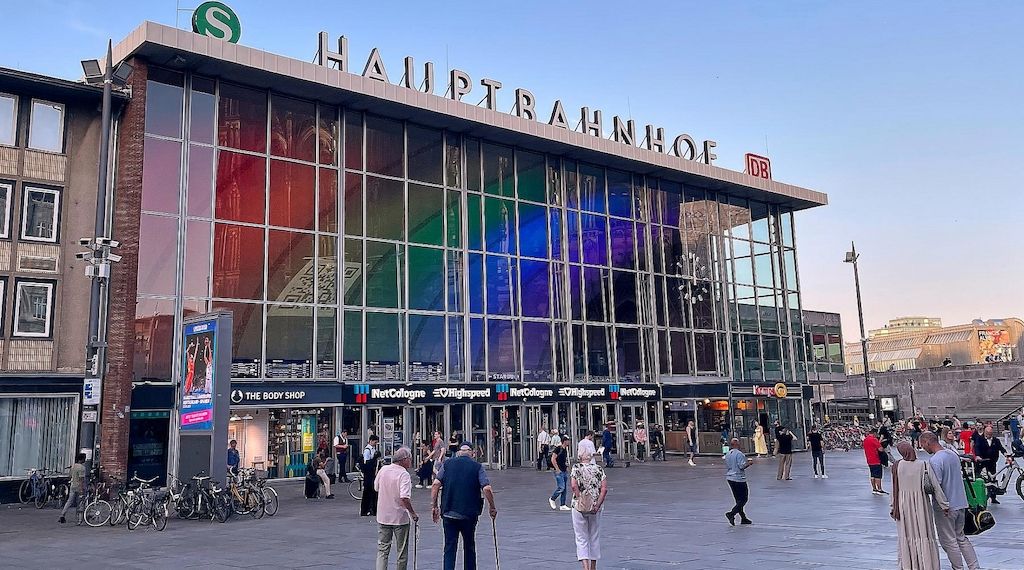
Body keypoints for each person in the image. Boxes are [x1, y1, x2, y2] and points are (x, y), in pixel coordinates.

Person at [431, 443, 497, 570]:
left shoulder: (447, 465)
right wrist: (492, 507)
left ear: (459, 453)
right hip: (469, 513)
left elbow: (435, 485)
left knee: (449, 547)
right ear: (472, 453)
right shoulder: (477, 467)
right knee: (469, 546)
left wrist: (434, 506)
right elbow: (487, 488)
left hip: (449, 512)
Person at [921, 432, 980, 570]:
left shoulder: (935, 460)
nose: (923, 448)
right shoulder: (953, 454)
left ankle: (958, 568)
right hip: (960, 501)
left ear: (927, 442)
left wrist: (942, 504)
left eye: (922, 445)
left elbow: (937, 485)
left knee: (949, 540)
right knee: (961, 537)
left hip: (946, 506)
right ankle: (974, 567)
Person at [890, 440, 948, 570]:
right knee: (924, 533)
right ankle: (927, 564)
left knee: (907, 535)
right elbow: (935, 487)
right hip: (921, 503)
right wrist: (944, 505)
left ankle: (908, 565)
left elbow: (894, 489)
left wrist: (893, 506)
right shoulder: (923, 465)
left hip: (903, 504)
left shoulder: (897, 466)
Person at [375, 446, 419, 570]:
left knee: (383, 549)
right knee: (402, 551)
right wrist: (412, 513)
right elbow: (404, 497)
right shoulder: (403, 474)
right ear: (403, 460)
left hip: (383, 515)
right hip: (399, 517)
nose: (410, 461)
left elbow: (376, 488)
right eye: (409, 458)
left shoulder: (383, 470)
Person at [570, 448, 608, 570]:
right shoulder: (599, 469)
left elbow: (573, 485)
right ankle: (593, 566)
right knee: (594, 536)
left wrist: (578, 496)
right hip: (594, 506)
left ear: (580, 457)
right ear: (590, 457)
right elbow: (604, 489)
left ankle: (585, 567)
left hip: (578, 506)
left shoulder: (576, 468)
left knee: (581, 537)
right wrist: (598, 504)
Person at [972, 424, 1007, 503]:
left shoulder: (996, 440)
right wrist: (977, 456)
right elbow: (976, 447)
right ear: (984, 432)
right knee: (977, 476)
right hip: (982, 461)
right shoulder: (979, 439)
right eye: (987, 434)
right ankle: (976, 493)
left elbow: (1001, 448)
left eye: (990, 434)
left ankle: (993, 497)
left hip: (992, 461)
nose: (989, 435)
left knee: (993, 479)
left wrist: (1006, 454)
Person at [724, 438, 753, 525]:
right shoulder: (739, 454)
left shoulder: (728, 454)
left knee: (738, 499)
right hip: (739, 478)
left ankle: (743, 518)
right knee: (744, 499)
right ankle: (731, 513)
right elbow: (741, 466)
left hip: (730, 477)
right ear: (736, 444)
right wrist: (749, 463)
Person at [58, 452, 87, 524]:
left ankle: (62, 514)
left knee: (69, 501)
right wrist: (81, 489)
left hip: (72, 486)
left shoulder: (73, 466)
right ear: (82, 459)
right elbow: (81, 480)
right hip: (78, 486)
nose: (85, 460)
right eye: (84, 458)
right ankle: (79, 520)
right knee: (80, 503)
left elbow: (70, 476)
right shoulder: (82, 468)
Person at [360, 435, 382, 516]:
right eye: (375, 442)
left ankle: (373, 509)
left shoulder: (373, 449)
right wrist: (374, 458)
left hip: (373, 473)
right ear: (371, 441)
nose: (375, 444)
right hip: (368, 474)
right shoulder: (367, 450)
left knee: (373, 492)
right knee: (367, 492)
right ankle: (365, 510)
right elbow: (366, 463)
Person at [549, 435, 571, 511]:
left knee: (564, 488)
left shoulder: (566, 449)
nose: (569, 442)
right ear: (564, 441)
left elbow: (563, 460)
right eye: (568, 440)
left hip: (564, 470)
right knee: (561, 487)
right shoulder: (558, 448)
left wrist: (566, 467)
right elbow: (553, 459)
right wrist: (557, 469)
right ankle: (552, 498)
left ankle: (563, 504)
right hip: (559, 471)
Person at [863, 428, 886, 495]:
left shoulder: (865, 439)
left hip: (869, 459)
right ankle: (879, 489)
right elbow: (880, 449)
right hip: (876, 459)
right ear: (874, 433)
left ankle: (874, 488)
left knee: (872, 475)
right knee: (878, 475)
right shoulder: (874, 439)